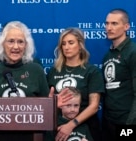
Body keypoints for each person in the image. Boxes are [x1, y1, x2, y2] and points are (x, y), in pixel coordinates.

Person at [0, 21, 73, 141]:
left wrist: (52, 105)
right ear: (3, 44)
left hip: (31, 136)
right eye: (11, 41)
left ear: (26, 45)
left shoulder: (36, 70)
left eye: (20, 42)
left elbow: (46, 114)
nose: (16, 47)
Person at [47, 27, 105, 141]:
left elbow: (94, 106)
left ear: (80, 45)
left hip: (86, 127)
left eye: (71, 43)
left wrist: (71, 125)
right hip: (58, 127)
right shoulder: (54, 71)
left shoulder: (91, 71)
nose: (66, 47)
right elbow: (47, 102)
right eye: (63, 44)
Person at [102, 8, 136, 141]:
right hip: (109, 121)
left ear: (126, 26)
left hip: (128, 121)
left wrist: (130, 125)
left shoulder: (133, 52)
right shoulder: (108, 55)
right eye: (107, 23)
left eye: (114, 23)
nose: (109, 28)